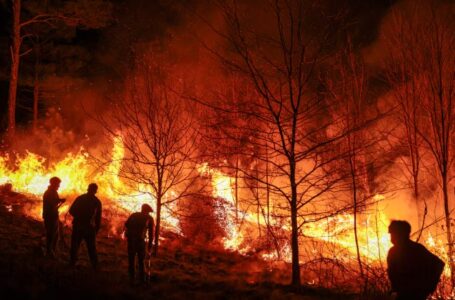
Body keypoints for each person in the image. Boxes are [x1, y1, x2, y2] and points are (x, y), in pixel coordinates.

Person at [387, 220, 444, 300]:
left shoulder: (416, 249)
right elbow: (393, 272)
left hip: (415, 294)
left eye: (393, 233)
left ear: (402, 234)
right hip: (402, 293)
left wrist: (430, 287)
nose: (391, 237)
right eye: (391, 234)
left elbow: (438, 264)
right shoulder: (393, 252)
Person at [69, 183, 102, 269]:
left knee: (75, 246)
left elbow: (71, 211)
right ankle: (95, 266)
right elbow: (98, 218)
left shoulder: (81, 198)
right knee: (91, 248)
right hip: (88, 227)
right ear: (95, 191)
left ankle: (72, 263)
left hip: (80, 225)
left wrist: (78, 216)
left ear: (88, 189)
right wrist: (97, 229)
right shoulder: (97, 202)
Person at [125, 203, 154, 285]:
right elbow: (151, 233)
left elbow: (126, 224)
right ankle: (142, 280)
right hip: (140, 242)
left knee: (131, 260)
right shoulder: (149, 218)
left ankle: (131, 279)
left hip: (131, 240)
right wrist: (150, 245)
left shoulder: (134, 215)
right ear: (147, 211)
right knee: (141, 261)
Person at [42, 177, 65, 258]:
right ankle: (49, 251)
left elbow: (53, 201)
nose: (59, 186)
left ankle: (52, 250)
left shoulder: (52, 192)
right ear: (54, 183)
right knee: (51, 234)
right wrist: (59, 201)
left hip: (52, 215)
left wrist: (59, 200)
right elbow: (52, 203)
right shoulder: (50, 192)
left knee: (55, 234)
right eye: (58, 184)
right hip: (50, 216)